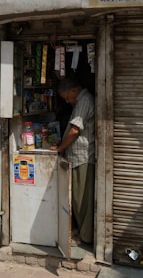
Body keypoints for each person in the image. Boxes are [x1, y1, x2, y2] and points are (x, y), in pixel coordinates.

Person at [50, 73, 95, 244]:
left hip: (83, 157)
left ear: (74, 90)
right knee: (77, 198)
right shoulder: (81, 101)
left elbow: (75, 130)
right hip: (78, 156)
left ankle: (85, 237)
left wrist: (61, 148)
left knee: (82, 200)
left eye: (67, 97)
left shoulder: (84, 100)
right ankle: (82, 233)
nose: (68, 102)